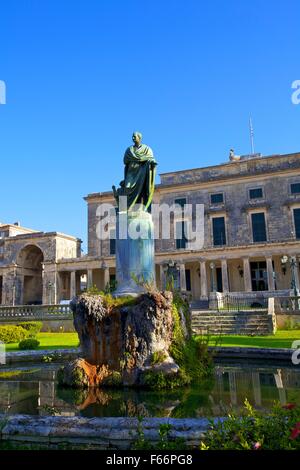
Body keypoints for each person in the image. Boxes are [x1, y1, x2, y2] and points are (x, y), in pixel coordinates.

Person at [113, 132, 157, 211]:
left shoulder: (147, 149)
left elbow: (151, 158)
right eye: (132, 136)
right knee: (127, 188)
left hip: (142, 172)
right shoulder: (129, 150)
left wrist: (151, 162)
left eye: (134, 136)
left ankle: (138, 208)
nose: (133, 138)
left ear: (139, 138)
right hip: (131, 173)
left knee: (141, 190)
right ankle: (125, 209)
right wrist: (139, 159)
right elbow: (125, 160)